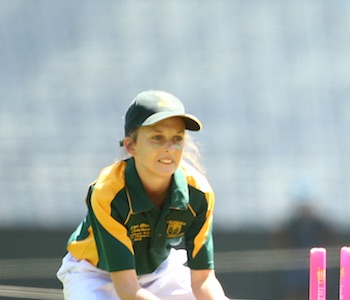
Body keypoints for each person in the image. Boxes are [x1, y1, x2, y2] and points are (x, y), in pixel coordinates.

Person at [56, 90, 229, 300]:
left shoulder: (199, 194)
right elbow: (127, 288)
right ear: (131, 146)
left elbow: (203, 280)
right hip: (93, 273)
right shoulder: (108, 192)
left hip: (159, 272)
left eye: (177, 138)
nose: (170, 148)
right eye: (157, 137)